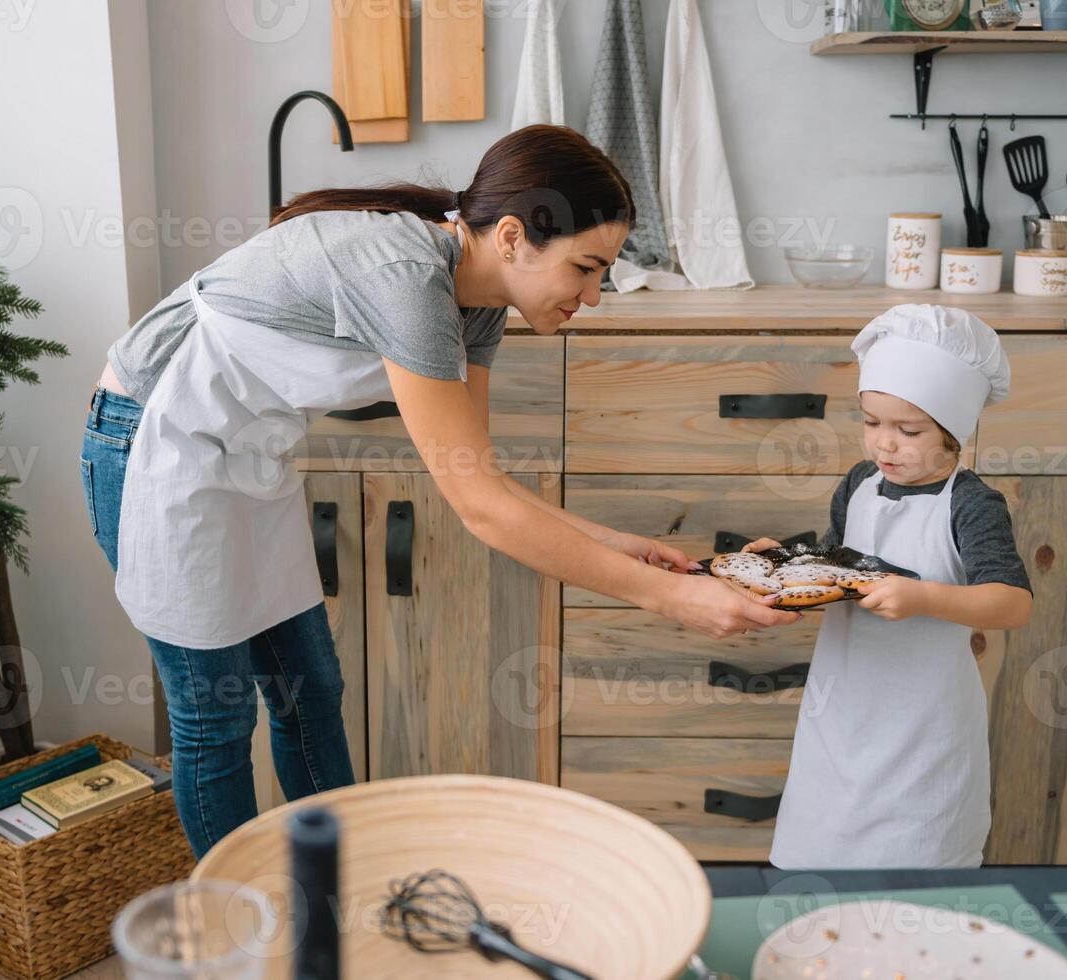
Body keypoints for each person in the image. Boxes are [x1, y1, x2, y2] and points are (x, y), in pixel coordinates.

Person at [79, 125, 797, 859]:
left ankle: (332, 892)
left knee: (309, 696)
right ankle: (230, 944)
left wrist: (626, 549)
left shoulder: (477, 300)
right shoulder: (406, 277)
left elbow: (480, 476)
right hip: (153, 446)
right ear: (513, 236)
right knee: (215, 722)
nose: (595, 296)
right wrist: (668, 599)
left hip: (246, 462)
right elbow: (480, 508)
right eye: (586, 268)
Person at [755, 304, 1033, 869]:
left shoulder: (972, 506)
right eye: (871, 422)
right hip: (842, 713)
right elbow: (837, 563)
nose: (885, 445)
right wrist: (785, 561)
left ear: (954, 431)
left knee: (910, 872)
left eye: (908, 430)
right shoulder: (860, 484)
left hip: (922, 730)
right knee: (822, 861)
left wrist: (924, 596)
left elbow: (1013, 604)